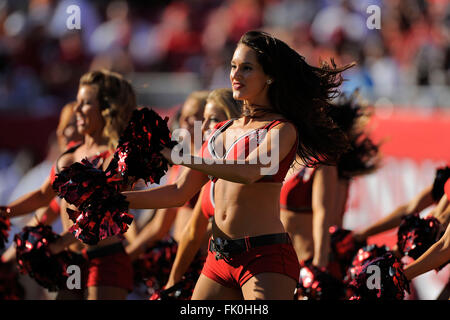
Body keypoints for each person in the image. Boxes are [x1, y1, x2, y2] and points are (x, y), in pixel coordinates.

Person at [123, 30, 353, 300]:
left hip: (264, 258)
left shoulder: (281, 129)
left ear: (269, 76)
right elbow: (178, 192)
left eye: (246, 68)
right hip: (218, 259)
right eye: (233, 66)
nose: (235, 74)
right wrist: (115, 200)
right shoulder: (220, 130)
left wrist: (180, 156)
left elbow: (248, 172)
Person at [1, 69, 137, 300]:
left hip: (105, 261)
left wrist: (55, 246)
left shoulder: (118, 157)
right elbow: (43, 197)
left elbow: (98, 215)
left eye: (85, 103)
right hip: (73, 262)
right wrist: (4, 213)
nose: (77, 109)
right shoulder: (68, 157)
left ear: (105, 108)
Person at [279, 93, 380, 274]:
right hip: (284, 261)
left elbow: (325, 216)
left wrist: (320, 264)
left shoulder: (324, 164)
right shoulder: (289, 157)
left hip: (310, 263)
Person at [163, 88, 242, 290]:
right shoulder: (196, 165)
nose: (204, 126)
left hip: (235, 267)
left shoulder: (245, 169)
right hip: (197, 261)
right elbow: (186, 220)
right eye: (186, 117)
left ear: (235, 120)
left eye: (212, 118)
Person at [125, 90, 209, 261]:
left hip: (201, 261)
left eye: (194, 115)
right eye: (184, 114)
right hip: (179, 258)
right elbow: (159, 227)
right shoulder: (180, 165)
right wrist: (128, 257)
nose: (185, 120)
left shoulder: (214, 164)